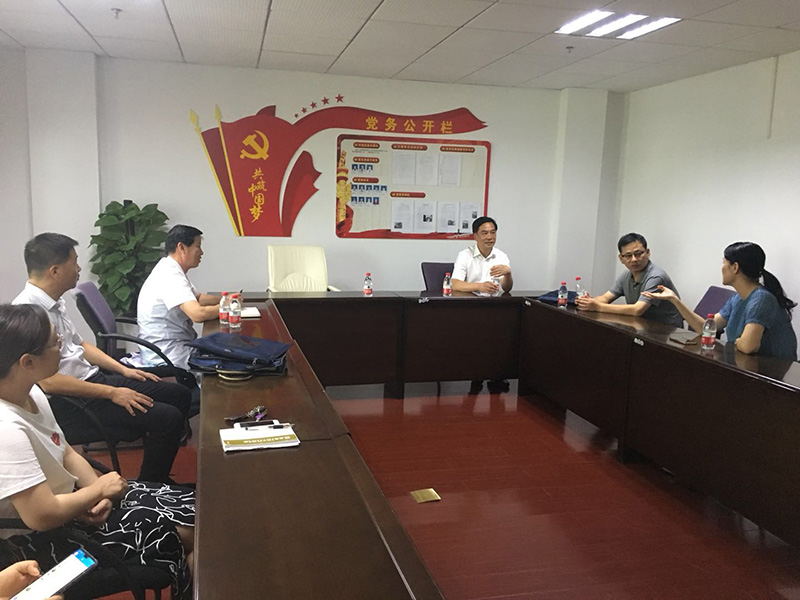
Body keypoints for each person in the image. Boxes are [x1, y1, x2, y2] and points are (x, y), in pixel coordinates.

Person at [0, 303, 194, 599]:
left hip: (75, 507)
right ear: (27, 362)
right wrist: (97, 490)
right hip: (43, 545)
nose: (62, 347)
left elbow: (64, 451)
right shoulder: (7, 429)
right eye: (55, 343)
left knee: (193, 507)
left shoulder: (32, 392)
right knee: (189, 534)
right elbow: (41, 515)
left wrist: (99, 492)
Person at [12, 233, 190, 484]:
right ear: (55, 271)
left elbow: (80, 345)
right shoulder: (29, 313)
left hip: (92, 381)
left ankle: (156, 474)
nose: (79, 268)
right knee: (167, 417)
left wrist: (123, 370)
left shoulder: (54, 302)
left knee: (178, 394)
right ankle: (150, 485)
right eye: (74, 262)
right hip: (70, 401)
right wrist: (112, 393)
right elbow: (48, 382)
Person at [645, 242, 797, 360]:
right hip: (746, 366)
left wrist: (739, 342)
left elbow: (748, 346)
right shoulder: (737, 298)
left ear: (735, 267)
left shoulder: (761, 299)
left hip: (773, 374)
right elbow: (706, 328)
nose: (721, 267)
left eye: (724, 262)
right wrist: (674, 299)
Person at [137, 225, 220, 370]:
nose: (201, 252)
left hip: (173, 346)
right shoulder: (170, 276)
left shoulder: (171, 268)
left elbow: (198, 298)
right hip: (168, 355)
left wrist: (226, 298)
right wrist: (227, 307)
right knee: (229, 362)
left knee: (225, 350)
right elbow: (198, 314)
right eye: (198, 246)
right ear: (181, 247)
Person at [576, 232, 683, 327]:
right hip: (643, 326)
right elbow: (606, 298)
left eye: (638, 254)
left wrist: (598, 307)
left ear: (648, 252)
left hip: (667, 331)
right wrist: (586, 302)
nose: (634, 259)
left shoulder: (656, 276)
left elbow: (637, 310)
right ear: (621, 258)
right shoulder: (626, 275)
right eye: (628, 255)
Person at [452, 217, 513, 295]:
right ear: (475, 236)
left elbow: (506, 288)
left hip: (494, 300)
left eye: (493, 232)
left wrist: (508, 275)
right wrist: (479, 286)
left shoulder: (501, 256)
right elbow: (455, 284)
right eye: (485, 233)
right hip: (471, 299)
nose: (489, 237)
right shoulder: (464, 255)